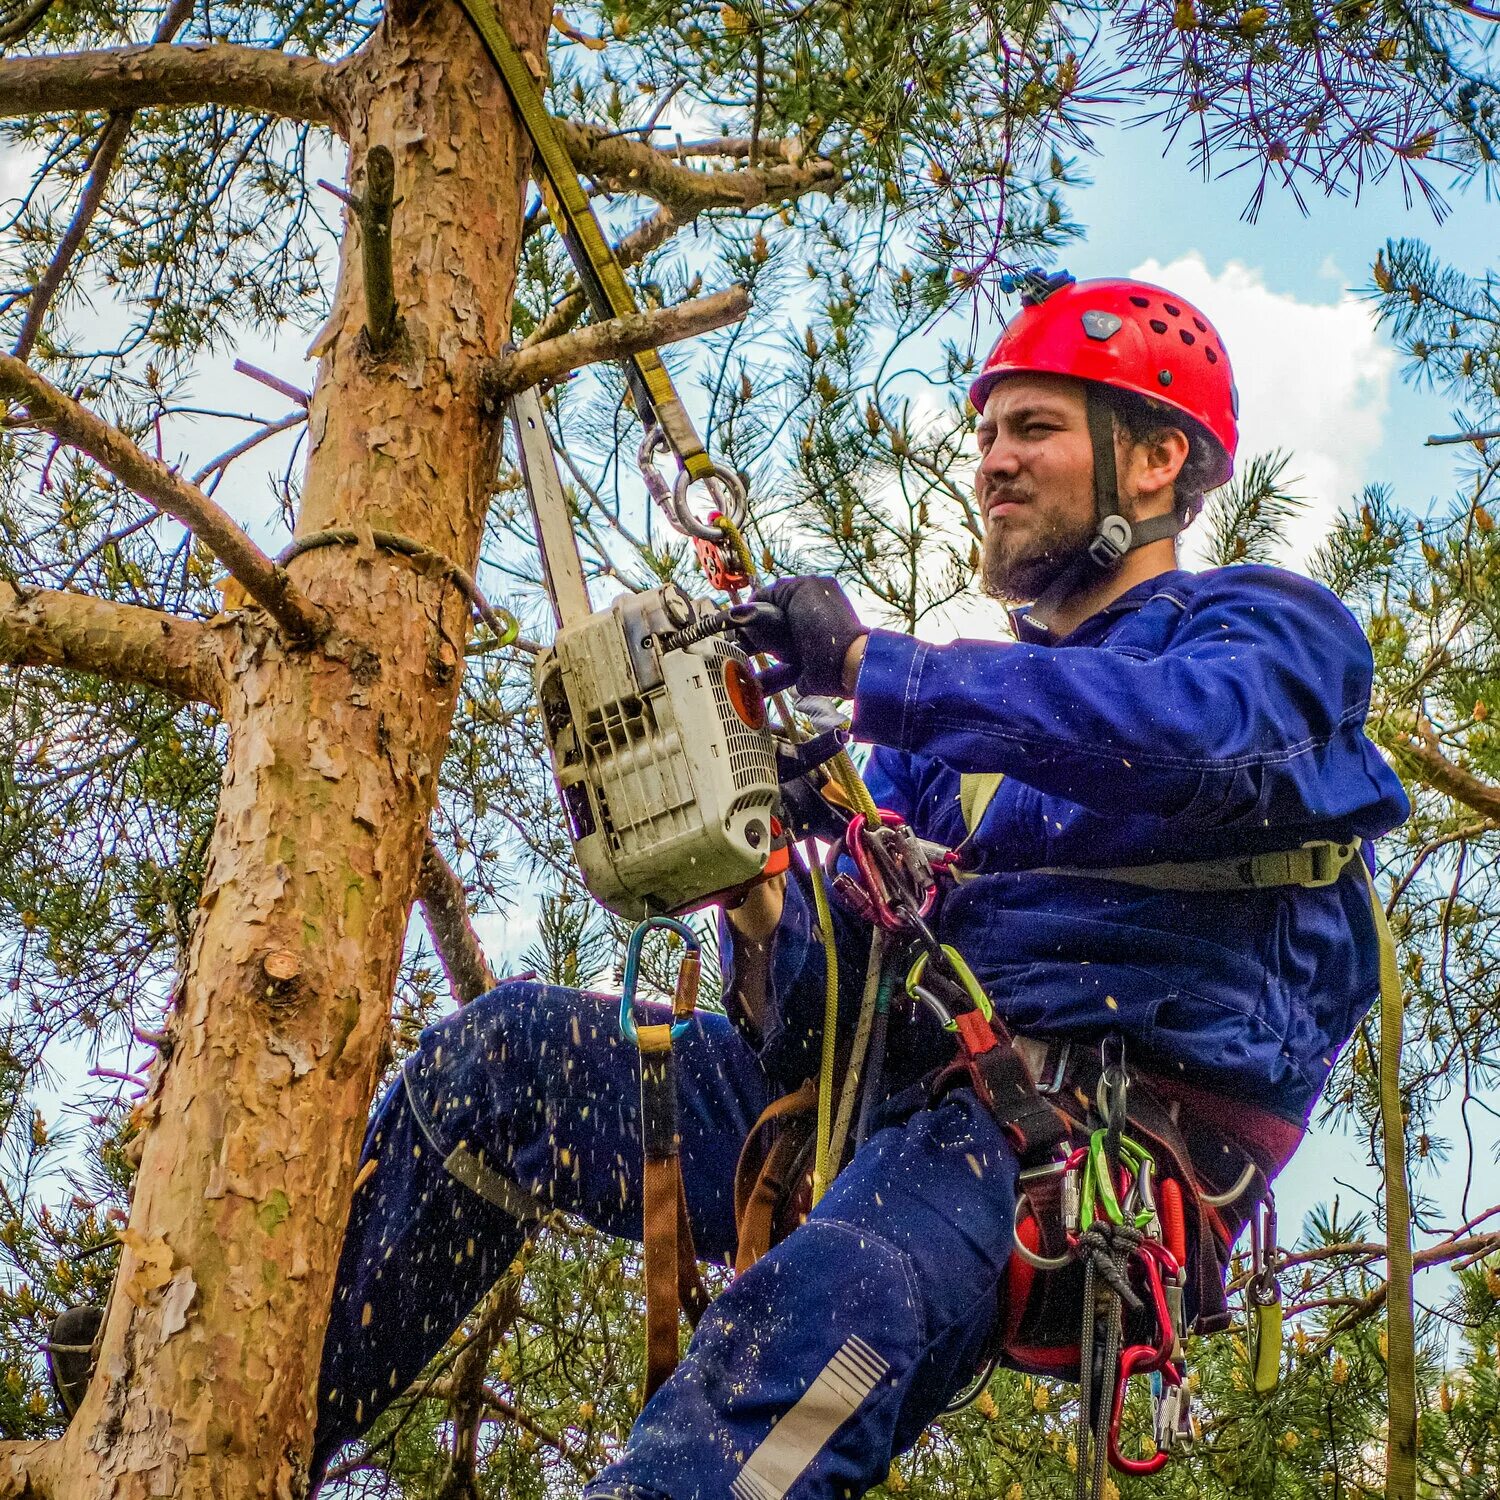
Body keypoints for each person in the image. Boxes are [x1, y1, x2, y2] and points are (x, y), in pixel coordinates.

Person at [309, 272, 1409, 1498]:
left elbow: (1195, 738)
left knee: (793, 1359)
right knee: (508, 1058)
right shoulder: (939, 745)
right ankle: (258, 1422)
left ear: (1155, 460)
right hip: (891, 1108)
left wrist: (874, 670)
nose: (991, 462)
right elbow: (819, 1027)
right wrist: (756, 877)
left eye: (1032, 429)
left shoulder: (1264, 634)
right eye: (985, 433)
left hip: (1053, 1136)